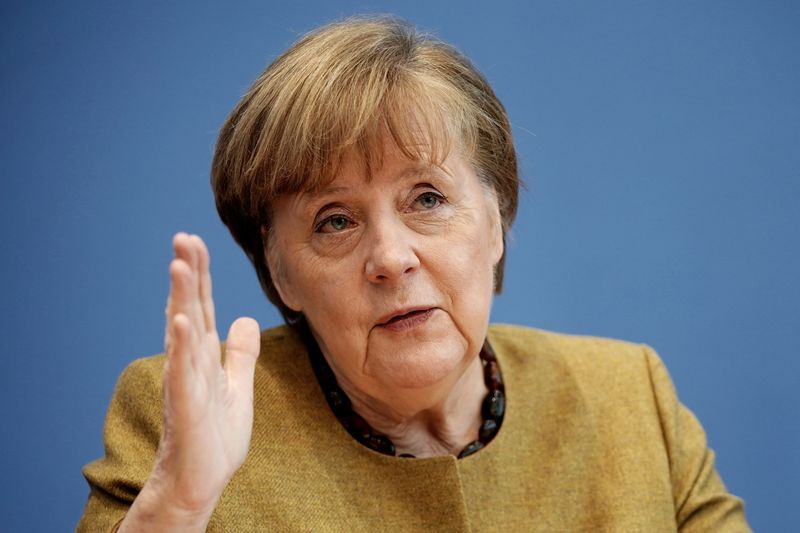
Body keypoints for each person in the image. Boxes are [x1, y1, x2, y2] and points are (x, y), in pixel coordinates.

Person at [77, 16, 750, 532]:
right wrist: (179, 506)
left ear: (497, 219)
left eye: (427, 198)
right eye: (334, 220)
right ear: (280, 273)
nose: (391, 257)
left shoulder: (632, 399)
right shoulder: (181, 418)